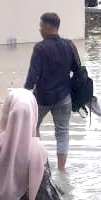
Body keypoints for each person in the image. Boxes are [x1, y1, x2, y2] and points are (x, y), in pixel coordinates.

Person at [24, 12, 79, 170]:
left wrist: (25, 94)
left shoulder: (40, 48)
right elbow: (78, 70)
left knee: (32, 128)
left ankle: (41, 164)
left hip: (42, 98)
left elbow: (32, 76)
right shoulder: (69, 45)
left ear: (48, 28)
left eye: (41, 27)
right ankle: (61, 169)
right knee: (62, 132)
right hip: (64, 97)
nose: (39, 30)